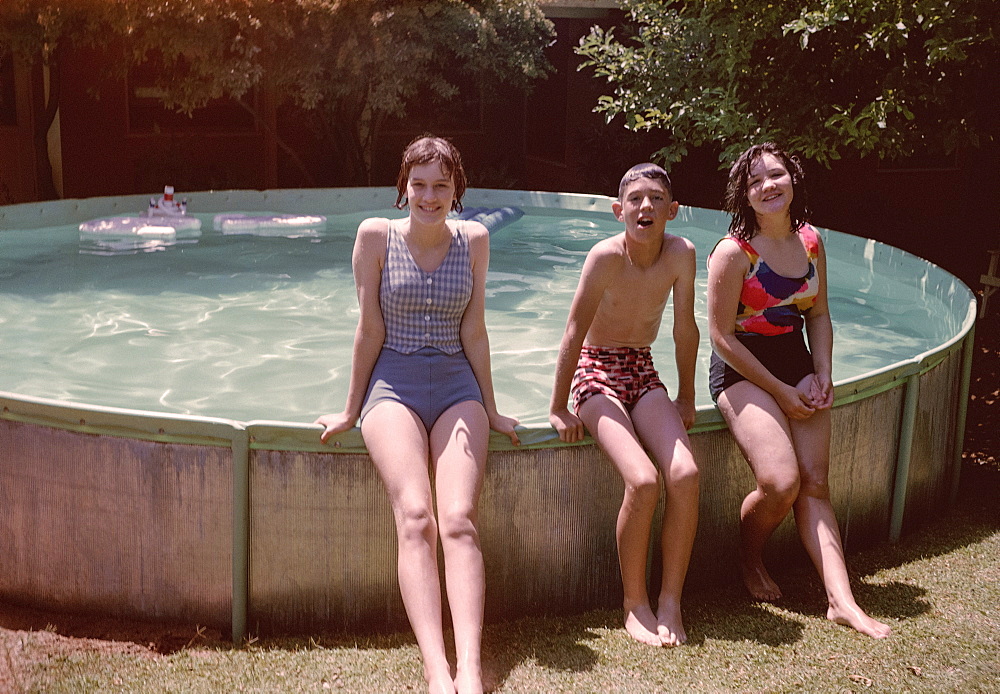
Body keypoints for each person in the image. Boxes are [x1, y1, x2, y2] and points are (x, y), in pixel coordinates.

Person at [315, 135, 520, 694]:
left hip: (457, 383)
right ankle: (437, 668)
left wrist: (493, 409)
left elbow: (474, 329)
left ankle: (471, 667)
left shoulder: (473, 239)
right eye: (419, 185)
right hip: (394, 384)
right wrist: (350, 408)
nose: (429, 196)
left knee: (457, 520)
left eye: (441, 185)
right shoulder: (376, 236)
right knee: (416, 517)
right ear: (402, 187)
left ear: (457, 190)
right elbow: (369, 330)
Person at [707, 142, 891, 639]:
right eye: (756, 181)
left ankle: (841, 600)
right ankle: (749, 558)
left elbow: (819, 312)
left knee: (815, 481)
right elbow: (721, 337)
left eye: (777, 175)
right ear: (744, 195)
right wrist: (782, 393)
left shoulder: (811, 241)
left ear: (793, 180)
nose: (768, 185)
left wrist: (823, 371)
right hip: (742, 370)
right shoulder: (733, 253)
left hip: (796, 361)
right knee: (781, 483)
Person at [549, 163, 700, 647]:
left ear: (672, 211)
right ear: (619, 211)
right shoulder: (605, 257)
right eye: (635, 198)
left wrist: (687, 396)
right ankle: (634, 603)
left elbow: (684, 328)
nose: (646, 207)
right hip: (596, 370)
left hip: (641, 367)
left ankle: (671, 599)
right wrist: (558, 405)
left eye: (656, 198)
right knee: (643, 479)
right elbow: (573, 332)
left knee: (685, 476)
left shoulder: (682, 254)